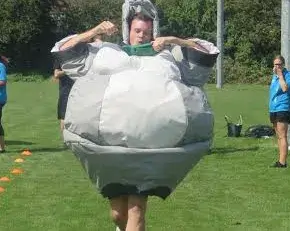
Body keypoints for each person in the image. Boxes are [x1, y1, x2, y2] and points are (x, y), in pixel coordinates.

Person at [51, 1, 219, 230]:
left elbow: (206, 52)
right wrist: (94, 32)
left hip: (151, 151)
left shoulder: (168, 55)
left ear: (154, 32)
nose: (141, 36)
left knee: (136, 212)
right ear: (127, 29)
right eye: (137, 31)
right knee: (118, 214)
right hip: (111, 151)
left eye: (147, 32)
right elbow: (64, 51)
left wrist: (172, 41)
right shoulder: (107, 51)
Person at [268, 55, 290, 168]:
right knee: (278, 135)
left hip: (283, 108)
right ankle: (280, 160)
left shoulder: (289, 75)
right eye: (275, 64)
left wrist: (280, 76)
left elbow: (285, 88)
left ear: (283, 65)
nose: (277, 66)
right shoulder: (274, 77)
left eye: (279, 64)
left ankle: (283, 163)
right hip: (273, 108)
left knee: (283, 135)